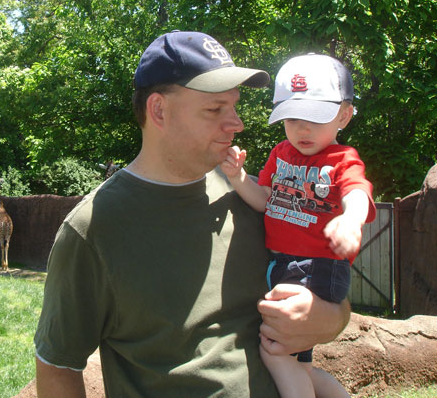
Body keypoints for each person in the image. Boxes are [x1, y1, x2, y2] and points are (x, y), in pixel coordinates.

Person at [33, 31, 351, 397]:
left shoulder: (252, 193)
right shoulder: (93, 229)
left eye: (234, 106)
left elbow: (329, 293)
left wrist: (328, 319)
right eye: (215, 109)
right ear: (158, 110)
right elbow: (58, 366)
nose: (237, 123)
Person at [220, 53, 376, 397]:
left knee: (273, 350)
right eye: (292, 119)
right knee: (299, 365)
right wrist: (237, 176)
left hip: (317, 266)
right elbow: (265, 200)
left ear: (344, 115)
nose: (302, 129)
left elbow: (358, 192)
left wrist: (350, 219)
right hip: (283, 263)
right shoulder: (281, 153)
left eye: (314, 118)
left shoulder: (341, 158)